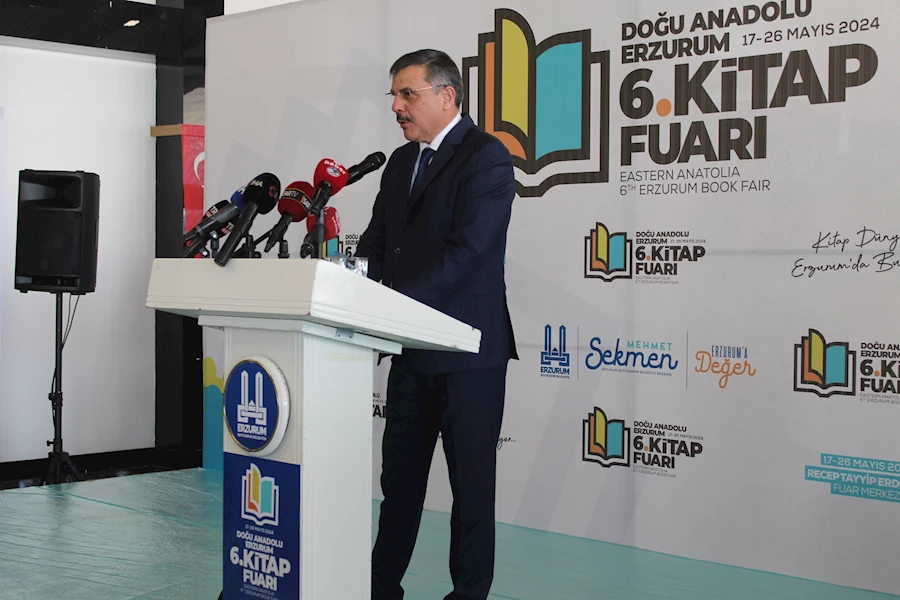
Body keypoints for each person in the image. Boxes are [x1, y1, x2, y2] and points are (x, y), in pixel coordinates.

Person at [354, 49, 518, 600]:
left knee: (471, 489)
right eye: (394, 95)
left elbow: (466, 253)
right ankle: (381, 590)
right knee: (398, 485)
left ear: (447, 95)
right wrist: (349, 285)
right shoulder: (402, 162)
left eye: (408, 94)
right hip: (410, 352)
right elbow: (378, 243)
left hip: (467, 354)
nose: (397, 107)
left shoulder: (487, 157)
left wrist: (394, 307)